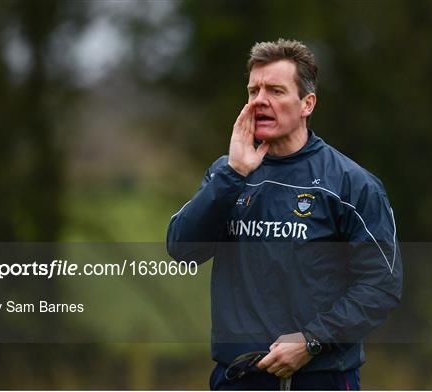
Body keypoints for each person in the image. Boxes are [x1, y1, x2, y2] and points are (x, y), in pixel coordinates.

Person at [167, 39, 402, 390]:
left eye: (275, 90)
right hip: (239, 377)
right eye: (253, 91)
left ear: (307, 103)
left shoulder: (352, 184)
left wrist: (312, 340)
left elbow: (381, 285)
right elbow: (182, 249)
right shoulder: (227, 174)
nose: (260, 100)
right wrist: (233, 174)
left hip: (323, 377)